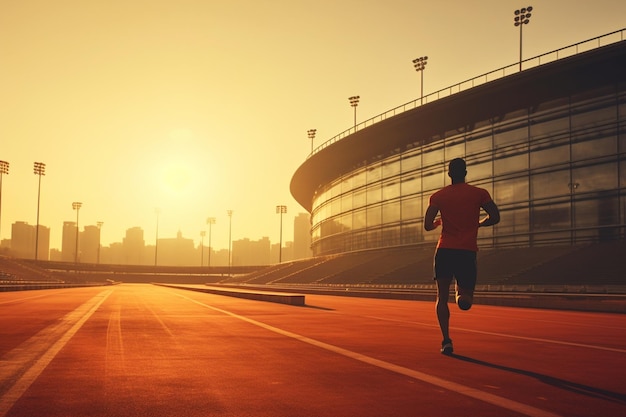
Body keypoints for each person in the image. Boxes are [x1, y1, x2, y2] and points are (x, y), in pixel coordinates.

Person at [424, 158, 500, 355]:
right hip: (467, 251)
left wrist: (438, 223)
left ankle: (446, 340)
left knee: (441, 297)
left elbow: (427, 224)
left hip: (445, 250)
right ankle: (461, 297)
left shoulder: (438, 196)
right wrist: (480, 223)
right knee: (466, 299)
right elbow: (495, 217)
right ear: (465, 172)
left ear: (449, 174)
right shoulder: (479, 194)